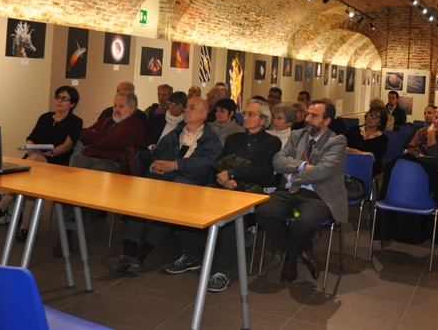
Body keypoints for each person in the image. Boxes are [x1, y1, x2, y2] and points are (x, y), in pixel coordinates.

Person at [106, 97, 221, 274]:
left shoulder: (211, 139)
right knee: (139, 195)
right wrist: (154, 166)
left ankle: (141, 255)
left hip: (189, 184)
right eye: (187, 107)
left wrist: (175, 165)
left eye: (192, 107)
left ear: (204, 114)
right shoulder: (175, 134)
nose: (186, 110)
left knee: (169, 198)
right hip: (165, 180)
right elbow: (157, 154)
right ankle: (128, 252)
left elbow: (206, 164)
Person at [255, 100, 347, 283]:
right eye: (307, 114)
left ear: (327, 121)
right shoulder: (297, 135)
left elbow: (322, 171)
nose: (308, 119)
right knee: (263, 211)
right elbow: (278, 161)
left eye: (314, 116)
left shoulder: (337, 141)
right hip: (290, 193)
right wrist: (304, 165)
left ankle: (290, 260)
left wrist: (291, 176)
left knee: (302, 222)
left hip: (320, 195)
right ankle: (302, 252)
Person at [0, 86, 83, 241]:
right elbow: (31, 137)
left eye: (65, 99)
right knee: (30, 179)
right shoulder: (45, 117)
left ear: (72, 104)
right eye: (58, 97)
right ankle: (24, 227)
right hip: (36, 157)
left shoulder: (75, 121)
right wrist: (31, 147)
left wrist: (48, 153)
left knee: (29, 170)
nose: (59, 101)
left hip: (57, 160)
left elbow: (67, 146)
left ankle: (6, 202)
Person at [206, 99, 280, 292]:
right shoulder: (235, 138)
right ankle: (190, 257)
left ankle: (222, 270)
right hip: (227, 185)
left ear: (263, 120)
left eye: (250, 114)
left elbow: (263, 171)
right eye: (244, 113)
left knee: (230, 212)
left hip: (257, 189)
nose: (244, 117)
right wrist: (226, 179)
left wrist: (232, 174)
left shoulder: (272, 142)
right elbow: (220, 164)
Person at [70, 91, 144, 175]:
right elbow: (84, 134)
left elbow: (114, 142)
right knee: (76, 158)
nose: (116, 109)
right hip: (90, 157)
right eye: (115, 106)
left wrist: (95, 137)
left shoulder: (135, 125)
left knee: (94, 174)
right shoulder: (106, 121)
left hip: (112, 162)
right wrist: (106, 136)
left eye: (121, 106)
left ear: (132, 109)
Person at [405, 106, 438, 185]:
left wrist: (431, 133)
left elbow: (434, 158)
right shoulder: (422, 131)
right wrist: (421, 156)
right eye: (436, 117)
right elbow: (410, 149)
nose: (436, 121)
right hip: (418, 166)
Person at [345, 106, 388, 175]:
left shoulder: (383, 139)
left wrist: (352, 151)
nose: (371, 118)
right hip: (347, 164)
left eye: (375, 117)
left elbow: (372, 158)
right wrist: (361, 153)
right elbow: (342, 146)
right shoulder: (354, 130)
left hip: (368, 169)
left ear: (380, 122)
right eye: (370, 114)